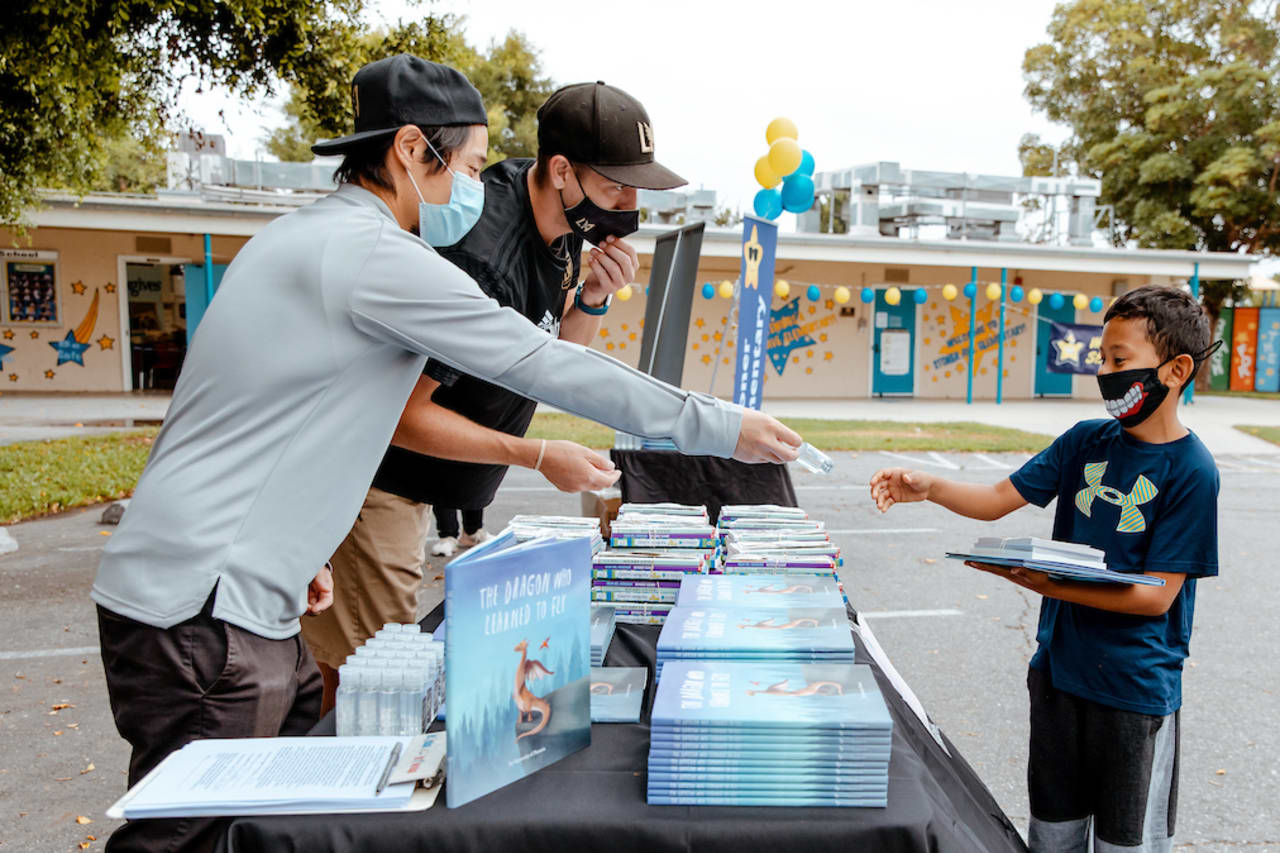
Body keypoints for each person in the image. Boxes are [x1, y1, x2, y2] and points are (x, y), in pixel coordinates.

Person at [92, 54, 801, 853]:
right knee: (188, 839)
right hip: (204, 614)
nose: (475, 186)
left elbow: (272, 415)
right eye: (466, 166)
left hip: (245, 597)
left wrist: (295, 542)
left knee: (264, 824)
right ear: (408, 151)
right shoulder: (373, 257)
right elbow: (538, 363)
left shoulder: (321, 240)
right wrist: (715, 423)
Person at [302, 81, 686, 705]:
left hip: (431, 480)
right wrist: (535, 455)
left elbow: (555, 357)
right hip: (377, 477)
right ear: (563, 171)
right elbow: (402, 414)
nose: (630, 200)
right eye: (618, 183)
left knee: (395, 676)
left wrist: (592, 297)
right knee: (372, 687)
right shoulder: (483, 258)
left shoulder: (559, 224)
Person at [870, 285, 1220, 853]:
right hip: (1058, 680)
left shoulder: (1193, 470)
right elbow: (994, 498)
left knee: (1124, 844)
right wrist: (929, 487)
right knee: (1052, 837)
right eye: (1101, 359)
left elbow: (1157, 597)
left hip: (1133, 696)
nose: (1105, 373)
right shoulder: (1085, 441)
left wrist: (1052, 586)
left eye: (1119, 361)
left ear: (1176, 370)